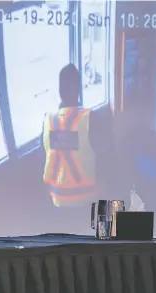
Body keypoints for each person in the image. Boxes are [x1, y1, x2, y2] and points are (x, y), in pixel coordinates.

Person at [42, 63, 97, 208]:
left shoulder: (48, 121)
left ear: (59, 91)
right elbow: (107, 159)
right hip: (86, 201)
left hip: (56, 201)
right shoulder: (89, 118)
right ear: (79, 90)